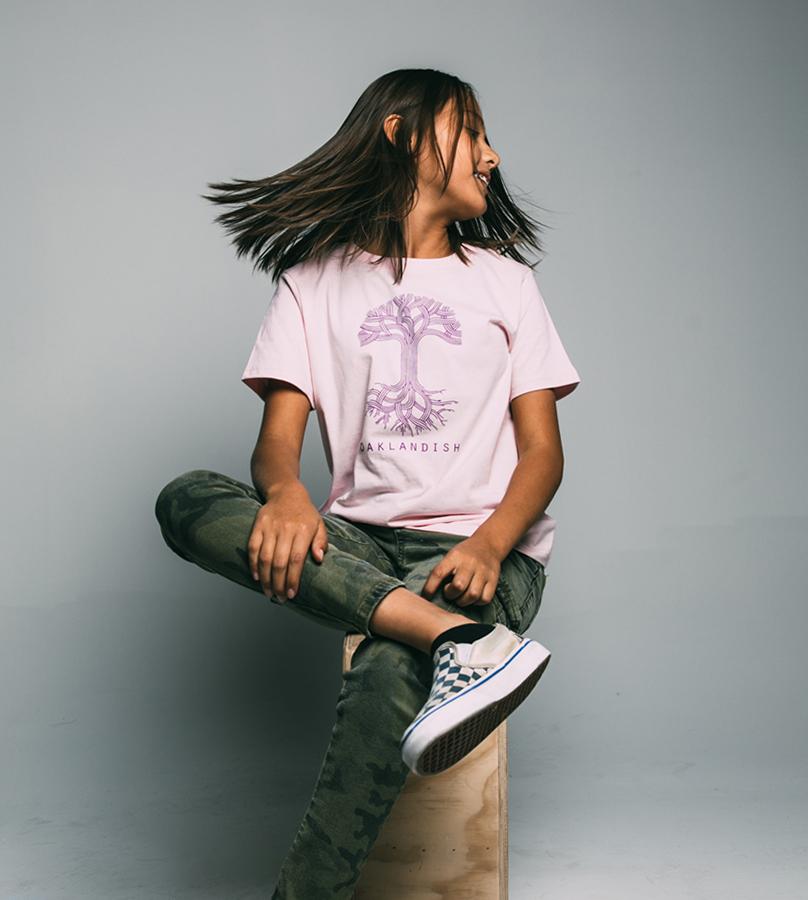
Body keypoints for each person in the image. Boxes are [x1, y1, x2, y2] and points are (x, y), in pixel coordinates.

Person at [154, 67, 581, 900]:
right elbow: (278, 444)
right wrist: (284, 495)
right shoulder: (313, 283)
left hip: (480, 549)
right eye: (473, 131)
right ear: (403, 134)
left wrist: (492, 545)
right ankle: (458, 641)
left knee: (391, 669)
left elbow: (542, 456)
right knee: (185, 500)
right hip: (358, 549)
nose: (492, 157)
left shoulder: (506, 284)